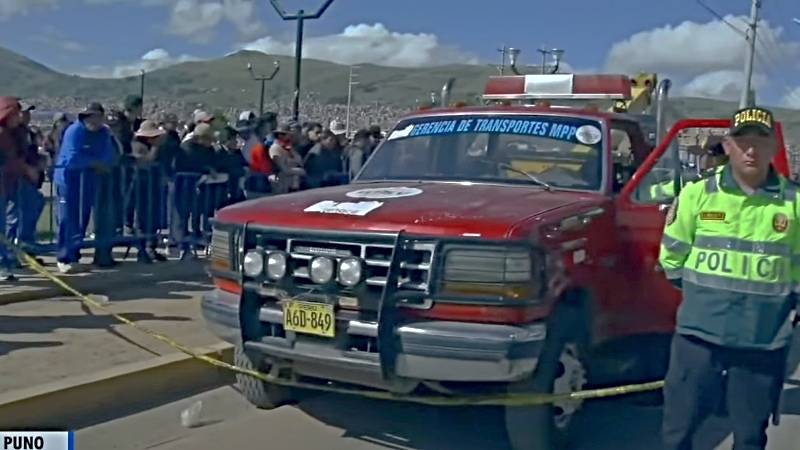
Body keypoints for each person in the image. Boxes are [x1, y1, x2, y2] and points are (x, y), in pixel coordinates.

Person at [659, 106, 799, 450]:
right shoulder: (696, 195)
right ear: (728, 146)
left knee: (750, 437)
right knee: (678, 434)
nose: (751, 150)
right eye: (742, 141)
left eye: (760, 142)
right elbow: (671, 259)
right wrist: (704, 300)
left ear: (774, 149)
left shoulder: (794, 204)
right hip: (698, 338)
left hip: (761, 341)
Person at [53, 102, 116, 273]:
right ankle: (64, 257)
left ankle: (75, 254)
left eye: (95, 116)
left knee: (82, 218)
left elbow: (108, 158)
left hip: (88, 181)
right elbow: (72, 157)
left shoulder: (104, 133)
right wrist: (94, 163)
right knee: (67, 217)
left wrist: (96, 163)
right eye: (88, 116)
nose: (92, 120)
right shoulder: (75, 131)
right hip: (67, 180)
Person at [0, 97, 39, 280]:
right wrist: (26, 169)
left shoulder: (18, 133)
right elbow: (10, 160)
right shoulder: (2, 135)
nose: (21, 116)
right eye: (16, 113)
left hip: (8, 185)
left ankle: (7, 260)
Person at [6, 101, 46, 260]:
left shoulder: (27, 132)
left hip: (28, 179)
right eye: (23, 112)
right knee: (14, 216)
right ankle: (12, 252)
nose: (27, 115)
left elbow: (31, 152)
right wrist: (27, 169)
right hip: (16, 178)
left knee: (33, 205)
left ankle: (25, 246)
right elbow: (12, 157)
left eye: (29, 112)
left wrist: (40, 162)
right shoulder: (10, 133)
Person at [130, 120, 168, 263]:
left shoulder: (156, 147)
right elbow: (145, 161)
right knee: (142, 218)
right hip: (141, 185)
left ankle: (151, 247)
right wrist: (155, 148)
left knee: (154, 217)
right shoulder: (138, 146)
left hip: (154, 185)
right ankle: (142, 249)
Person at [268, 123, 305, 194]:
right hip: (283, 185)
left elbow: (299, 161)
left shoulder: (289, 148)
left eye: (284, 134)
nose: (281, 136)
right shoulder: (275, 148)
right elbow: (284, 169)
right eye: (279, 134)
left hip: (295, 184)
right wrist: (301, 171)